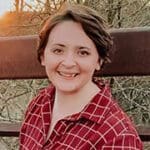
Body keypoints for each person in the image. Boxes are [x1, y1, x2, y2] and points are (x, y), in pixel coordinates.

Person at [19, 3, 143, 150]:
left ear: (99, 60)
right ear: (43, 56)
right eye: (58, 50)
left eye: (83, 52)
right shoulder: (40, 103)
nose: (69, 63)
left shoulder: (118, 136)